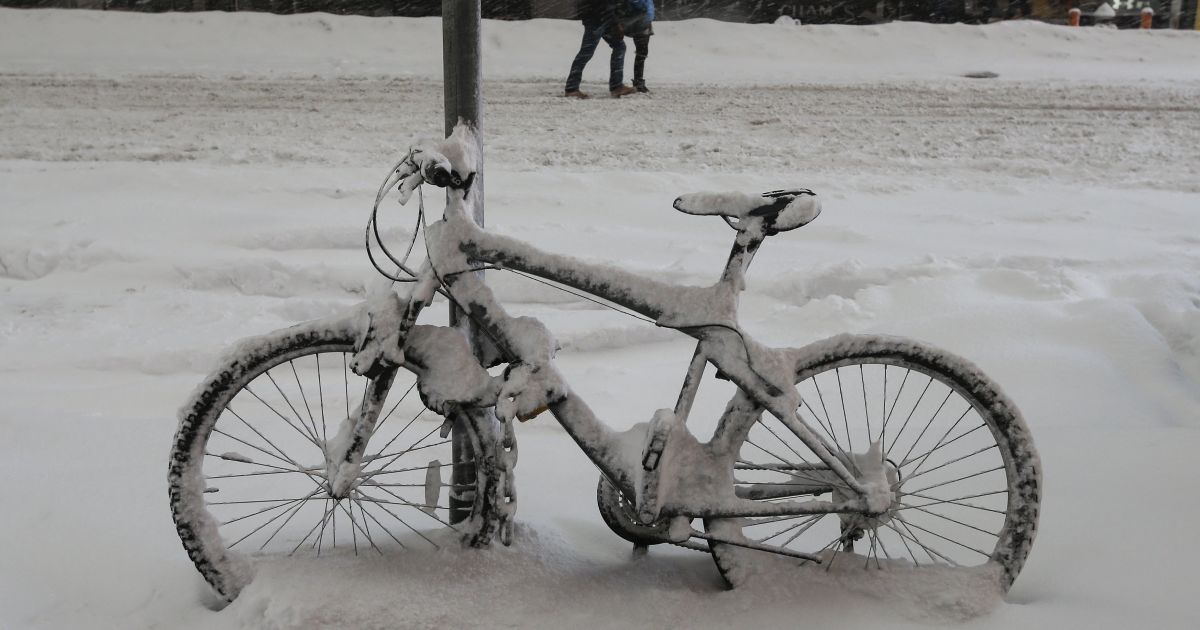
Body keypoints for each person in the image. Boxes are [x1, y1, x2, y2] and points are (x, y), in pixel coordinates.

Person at [565, 0, 637, 99]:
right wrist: (616, 23)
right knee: (586, 52)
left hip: (600, 17)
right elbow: (605, 4)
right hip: (597, 18)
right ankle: (571, 88)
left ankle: (616, 86)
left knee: (619, 46)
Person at [622, 0, 656, 94]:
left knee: (642, 53)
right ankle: (638, 82)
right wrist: (643, 8)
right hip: (639, 22)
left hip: (644, 22)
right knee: (641, 53)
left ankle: (638, 81)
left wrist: (650, 16)